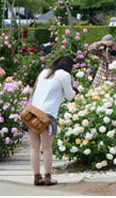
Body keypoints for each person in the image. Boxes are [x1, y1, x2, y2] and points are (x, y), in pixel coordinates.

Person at [29, 55, 78, 186]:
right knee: (46, 147)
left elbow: (34, 91)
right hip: (47, 115)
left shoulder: (44, 72)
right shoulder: (64, 75)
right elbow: (69, 96)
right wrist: (75, 88)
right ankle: (48, 177)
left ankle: (36, 177)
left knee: (34, 147)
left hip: (32, 113)